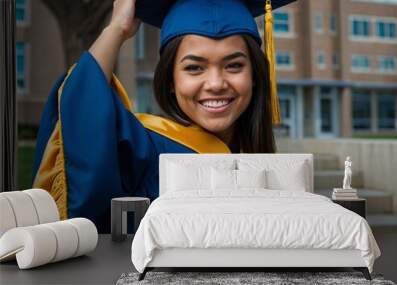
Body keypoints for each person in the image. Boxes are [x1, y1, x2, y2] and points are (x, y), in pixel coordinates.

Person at [32, 0, 295, 232]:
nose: (216, 83)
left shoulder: (261, 158)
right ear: (170, 79)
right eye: (194, 68)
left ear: (255, 76)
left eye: (234, 65)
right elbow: (83, 115)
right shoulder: (147, 148)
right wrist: (116, 30)